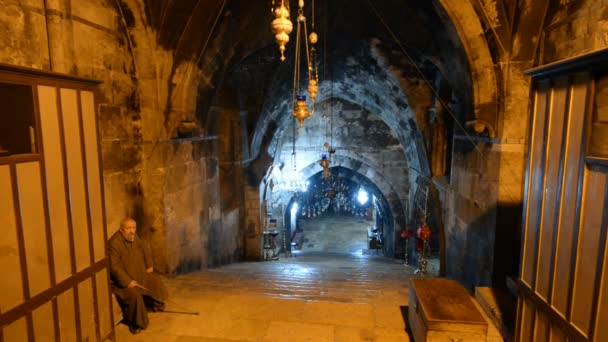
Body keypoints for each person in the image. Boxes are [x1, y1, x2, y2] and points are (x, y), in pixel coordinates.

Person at [109, 218, 168, 334]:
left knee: (154, 280)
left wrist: (149, 265)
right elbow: (114, 267)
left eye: (134, 228)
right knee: (134, 295)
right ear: (121, 230)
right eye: (128, 228)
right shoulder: (114, 243)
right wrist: (127, 281)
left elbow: (144, 246)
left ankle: (154, 303)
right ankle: (135, 322)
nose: (132, 231)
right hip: (120, 281)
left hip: (137, 273)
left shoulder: (134, 237)